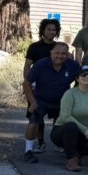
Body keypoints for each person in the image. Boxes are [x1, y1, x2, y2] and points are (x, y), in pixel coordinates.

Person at [22, 42, 80, 163]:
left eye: (63, 53)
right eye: (57, 53)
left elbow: (81, 80)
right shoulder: (40, 64)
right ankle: (28, 151)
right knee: (33, 121)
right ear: (51, 53)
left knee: (66, 125)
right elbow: (26, 83)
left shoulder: (73, 65)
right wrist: (32, 102)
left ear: (67, 54)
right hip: (41, 99)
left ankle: (65, 147)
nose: (60, 56)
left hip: (62, 101)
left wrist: (74, 96)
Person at [50, 65, 88, 172]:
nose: (87, 77)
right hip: (63, 131)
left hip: (85, 132)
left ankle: (77, 155)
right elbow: (65, 116)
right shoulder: (70, 94)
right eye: (83, 74)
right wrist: (84, 130)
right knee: (71, 127)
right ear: (77, 78)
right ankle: (71, 159)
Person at [23, 17, 62, 152]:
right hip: (38, 87)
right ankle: (40, 142)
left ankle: (59, 142)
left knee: (60, 116)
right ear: (43, 31)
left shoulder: (59, 47)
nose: (51, 32)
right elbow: (27, 66)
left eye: (54, 30)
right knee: (37, 117)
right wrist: (29, 83)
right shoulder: (34, 47)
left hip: (57, 88)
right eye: (48, 29)